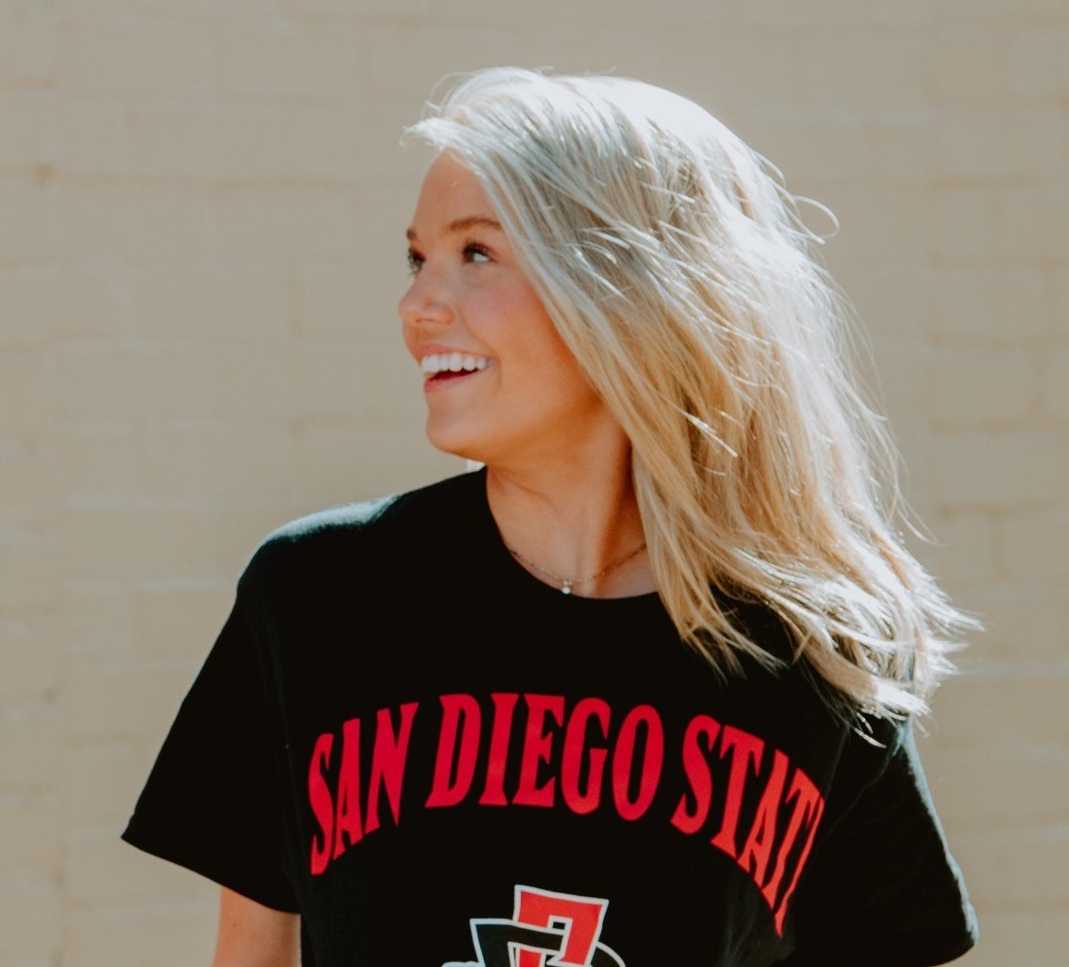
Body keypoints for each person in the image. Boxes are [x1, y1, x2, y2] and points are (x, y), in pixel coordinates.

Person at [123, 68, 978, 967]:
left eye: (477, 253)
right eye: (418, 258)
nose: (417, 306)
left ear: (629, 290)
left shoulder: (811, 649)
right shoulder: (314, 596)